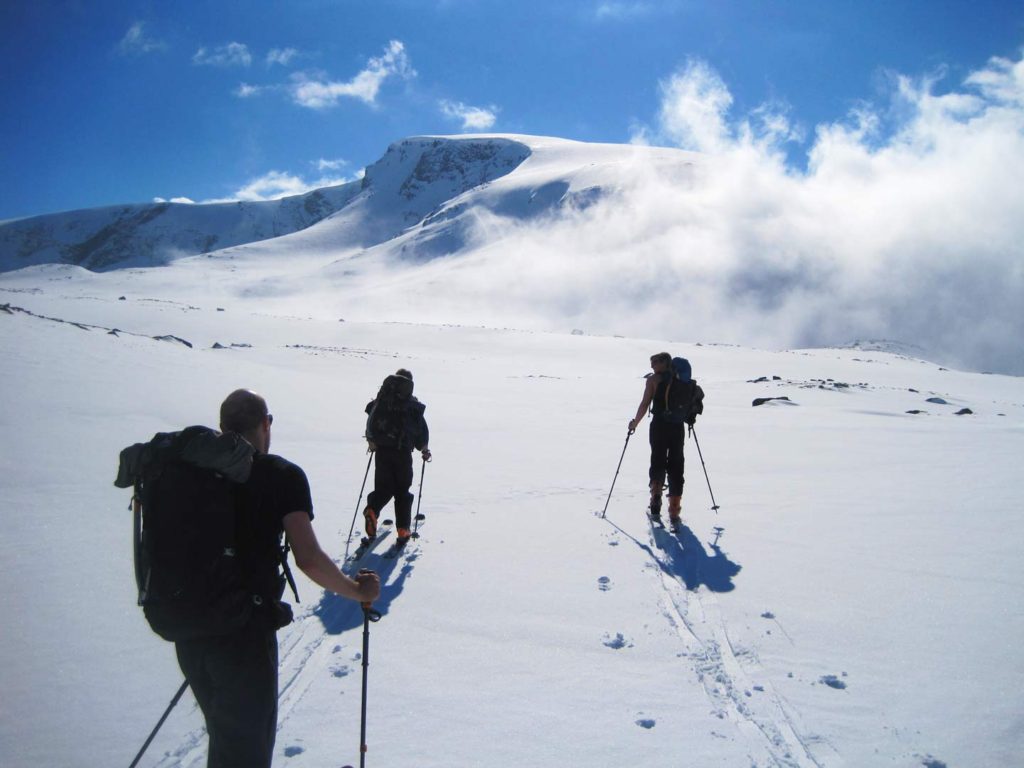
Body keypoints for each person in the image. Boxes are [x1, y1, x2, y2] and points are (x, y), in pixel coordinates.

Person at [175, 389, 380, 768]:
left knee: (227, 740)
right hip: (243, 636)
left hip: (188, 628)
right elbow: (310, 560)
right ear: (265, 424)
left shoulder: (193, 470)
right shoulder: (279, 475)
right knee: (245, 752)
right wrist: (356, 591)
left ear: (223, 427)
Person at [363, 368, 431, 545]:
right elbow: (421, 432)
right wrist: (424, 448)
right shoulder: (412, 406)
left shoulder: (383, 401)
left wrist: (372, 441)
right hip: (402, 454)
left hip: (382, 452)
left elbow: (371, 416)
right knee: (402, 491)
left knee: (384, 488)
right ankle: (403, 529)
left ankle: (372, 509)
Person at [628, 353, 698, 524]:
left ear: (664, 363)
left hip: (659, 425)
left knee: (658, 460)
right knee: (676, 463)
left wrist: (634, 423)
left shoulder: (653, 380)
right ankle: (674, 509)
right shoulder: (683, 381)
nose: (652, 366)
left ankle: (656, 497)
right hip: (677, 427)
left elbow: (645, 404)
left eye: (654, 362)